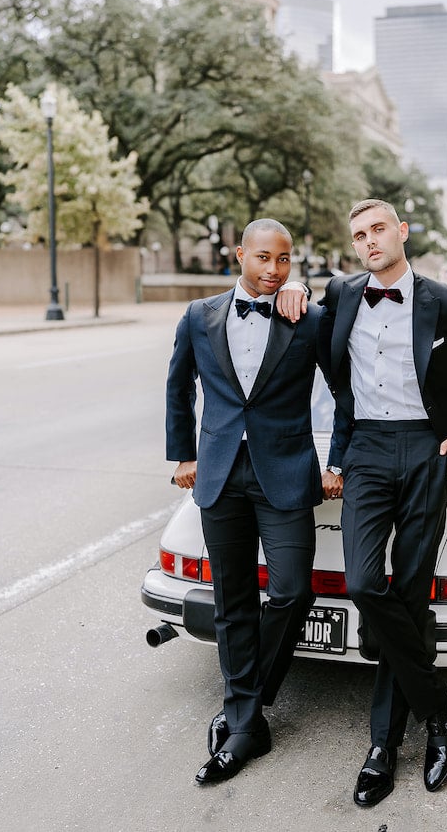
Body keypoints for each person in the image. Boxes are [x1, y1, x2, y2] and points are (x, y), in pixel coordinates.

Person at [279, 198, 447, 806]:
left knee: (409, 591)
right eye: (359, 235)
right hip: (368, 451)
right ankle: (439, 708)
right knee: (362, 584)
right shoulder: (344, 293)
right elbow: (309, 323)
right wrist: (294, 284)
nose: (370, 240)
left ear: (402, 232)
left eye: (379, 229)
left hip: (428, 448)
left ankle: (382, 745)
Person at [165, 218, 339, 786]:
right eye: (263, 258)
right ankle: (247, 724)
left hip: (284, 472)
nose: (273, 270)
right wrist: (183, 455)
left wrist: (336, 461)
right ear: (239, 254)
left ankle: (242, 706)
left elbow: (347, 392)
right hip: (217, 472)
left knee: (292, 589)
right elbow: (179, 385)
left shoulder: (306, 317)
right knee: (231, 599)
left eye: (284, 261)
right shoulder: (199, 315)